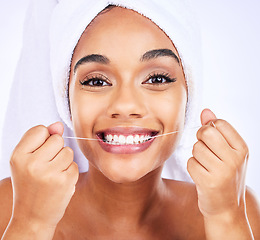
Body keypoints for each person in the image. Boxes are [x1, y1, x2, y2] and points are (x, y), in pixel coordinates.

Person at [0, 1, 260, 239]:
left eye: (157, 79)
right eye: (96, 81)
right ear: (64, 100)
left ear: (189, 97)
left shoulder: (236, 208)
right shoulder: (11, 207)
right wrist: (31, 224)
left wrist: (226, 219)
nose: (125, 106)